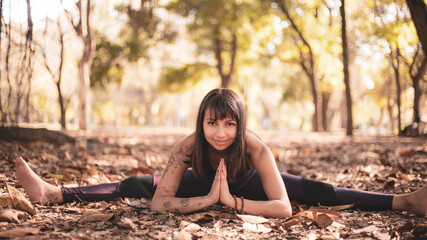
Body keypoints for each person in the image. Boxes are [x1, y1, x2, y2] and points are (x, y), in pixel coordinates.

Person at [14, 88, 426, 218]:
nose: (221, 132)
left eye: (230, 123)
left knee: (317, 189)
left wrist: (234, 202)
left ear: (240, 124)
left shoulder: (256, 148)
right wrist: (208, 200)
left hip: (250, 188)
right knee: (133, 184)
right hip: (200, 184)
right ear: (202, 123)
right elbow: (159, 203)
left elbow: (282, 208)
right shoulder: (186, 149)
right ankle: (53, 194)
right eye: (213, 122)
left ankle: (406, 199)